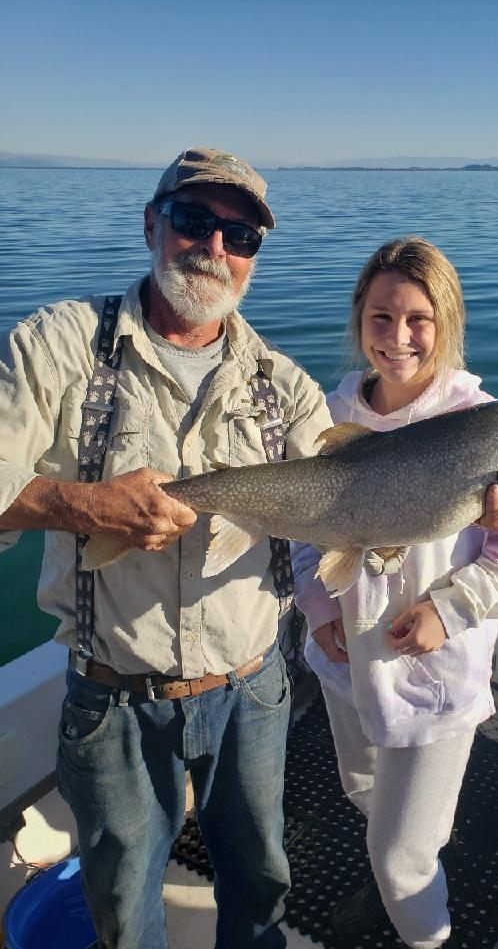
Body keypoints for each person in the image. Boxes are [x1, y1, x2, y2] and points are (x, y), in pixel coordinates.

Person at [0, 148, 332, 949]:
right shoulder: (62, 344)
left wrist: (487, 507)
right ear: (151, 225)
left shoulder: (283, 385)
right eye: (194, 221)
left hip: (252, 690)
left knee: (261, 886)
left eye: (241, 235)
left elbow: (350, 503)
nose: (215, 248)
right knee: (123, 903)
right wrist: (81, 502)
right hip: (112, 697)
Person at [291, 237, 498, 949]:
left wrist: (449, 610)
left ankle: (419, 923)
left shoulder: (492, 424)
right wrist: (319, 606)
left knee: (403, 857)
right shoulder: (327, 414)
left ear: (446, 322)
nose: (398, 338)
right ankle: (393, 875)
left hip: (435, 672)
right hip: (343, 658)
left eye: (418, 318)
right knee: (366, 794)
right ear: (359, 318)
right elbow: (303, 522)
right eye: (382, 317)